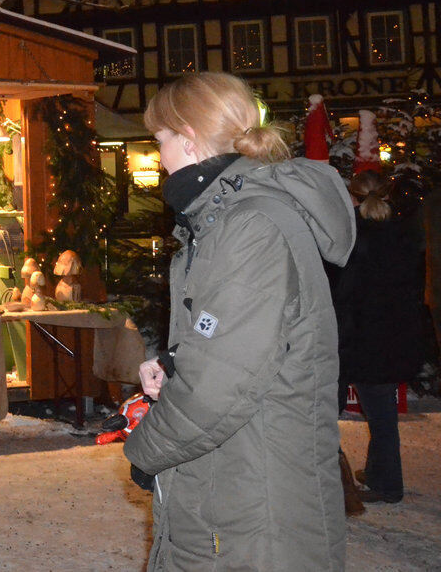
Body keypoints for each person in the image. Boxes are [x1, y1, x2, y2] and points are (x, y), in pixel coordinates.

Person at [123, 72, 355, 571]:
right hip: (233, 479)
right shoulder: (222, 218)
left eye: (160, 140)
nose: (158, 156)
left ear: (188, 138)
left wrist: (147, 450)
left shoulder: (250, 225)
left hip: (254, 494)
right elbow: (231, 336)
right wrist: (176, 361)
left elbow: (221, 383)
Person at [333, 170, 426, 504]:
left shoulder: (349, 237)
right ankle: (378, 474)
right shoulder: (404, 233)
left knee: (369, 415)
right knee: (382, 412)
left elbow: (342, 292)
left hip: (358, 338)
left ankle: (386, 484)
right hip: (391, 336)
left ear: (353, 197)